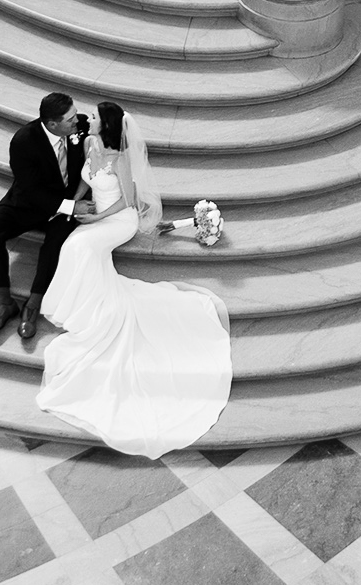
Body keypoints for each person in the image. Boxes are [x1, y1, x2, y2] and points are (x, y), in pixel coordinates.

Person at [37, 101, 232, 456]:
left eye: (95, 117)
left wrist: (96, 220)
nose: (88, 119)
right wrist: (75, 204)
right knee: (73, 245)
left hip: (118, 221)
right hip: (96, 213)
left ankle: (90, 309)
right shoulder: (91, 145)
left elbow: (127, 202)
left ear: (107, 126)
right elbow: (84, 182)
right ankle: (78, 301)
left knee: (82, 247)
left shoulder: (122, 160)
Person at [0, 92, 85, 341]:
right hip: (29, 202)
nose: (76, 123)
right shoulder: (23, 141)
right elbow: (29, 189)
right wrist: (70, 207)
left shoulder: (78, 127)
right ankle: (3, 302)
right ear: (52, 124)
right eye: (70, 120)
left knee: (56, 242)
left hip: (66, 202)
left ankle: (33, 304)